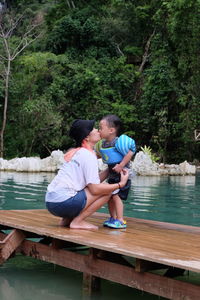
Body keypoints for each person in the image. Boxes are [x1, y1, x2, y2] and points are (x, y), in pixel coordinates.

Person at [45, 119, 129, 230]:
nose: (97, 130)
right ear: (87, 137)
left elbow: (92, 181)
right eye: (93, 128)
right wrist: (120, 184)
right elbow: (94, 189)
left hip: (51, 202)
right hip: (63, 203)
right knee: (108, 192)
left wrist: (110, 170)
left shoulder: (77, 152)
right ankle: (78, 222)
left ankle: (67, 220)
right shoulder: (88, 155)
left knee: (85, 189)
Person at [96, 114, 136, 229]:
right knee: (109, 196)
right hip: (112, 174)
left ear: (111, 130)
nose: (99, 130)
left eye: (101, 128)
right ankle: (113, 217)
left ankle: (120, 220)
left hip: (122, 174)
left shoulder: (118, 142)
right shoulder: (103, 144)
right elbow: (101, 155)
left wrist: (121, 165)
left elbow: (130, 153)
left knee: (116, 196)